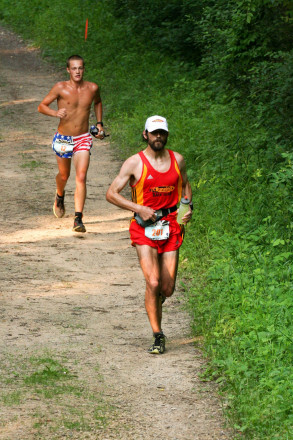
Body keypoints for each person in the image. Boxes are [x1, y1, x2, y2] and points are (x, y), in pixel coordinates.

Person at [106, 115, 193, 354]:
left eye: (162, 133)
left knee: (167, 288)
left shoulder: (178, 160)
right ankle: (158, 335)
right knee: (153, 282)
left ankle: (156, 298)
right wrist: (139, 208)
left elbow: (185, 185)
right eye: (153, 133)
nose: (158, 137)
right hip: (144, 227)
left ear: (166, 135)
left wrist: (187, 209)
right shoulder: (135, 163)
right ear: (145, 134)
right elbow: (111, 193)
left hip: (171, 225)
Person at [38, 54, 104, 232]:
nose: (77, 71)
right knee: (64, 175)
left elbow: (97, 102)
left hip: (83, 137)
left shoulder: (92, 88)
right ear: (68, 70)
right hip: (64, 138)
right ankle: (59, 194)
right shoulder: (60, 88)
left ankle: (78, 218)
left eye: (80, 68)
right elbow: (41, 106)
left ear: (84, 69)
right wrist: (55, 113)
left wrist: (99, 124)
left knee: (81, 177)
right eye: (74, 68)